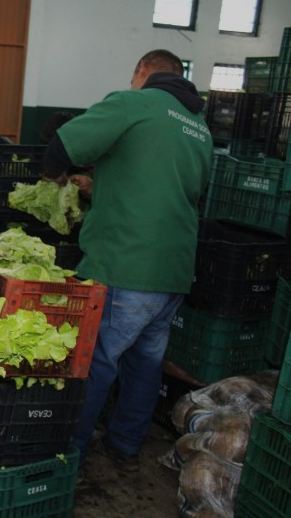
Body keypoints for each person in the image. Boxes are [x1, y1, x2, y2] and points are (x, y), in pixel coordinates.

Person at [41, 49, 213, 472]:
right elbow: (164, 191)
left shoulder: (134, 102)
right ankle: (125, 447)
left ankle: (72, 452)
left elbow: (63, 144)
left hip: (126, 265)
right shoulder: (200, 129)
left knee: (97, 361)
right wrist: (97, 187)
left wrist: (53, 176)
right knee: (144, 364)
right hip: (173, 272)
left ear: (142, 72)